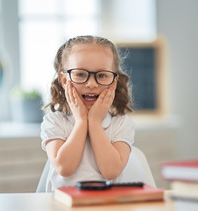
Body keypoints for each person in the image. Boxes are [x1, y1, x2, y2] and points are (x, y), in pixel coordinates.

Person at [40, 35, 135, 191]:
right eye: (80, 74)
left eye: (102, 75)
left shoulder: (121, 124)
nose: (91, 84)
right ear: (64, 81)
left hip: (108, 210)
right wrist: (81, 121)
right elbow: (64, 168)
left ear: (114, 82)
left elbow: (111, 171)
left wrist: (95, 123)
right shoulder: (54, 122)